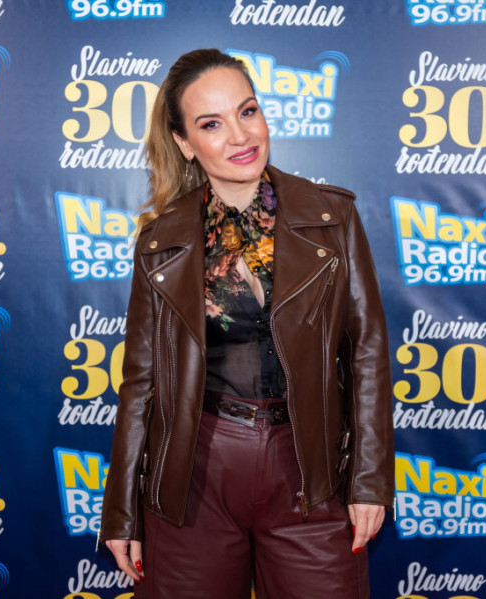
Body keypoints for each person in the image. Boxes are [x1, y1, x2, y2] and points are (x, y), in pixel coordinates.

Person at [99, 48, 394, 599]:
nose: (240, 135)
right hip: (193, 482)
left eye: (247, 111)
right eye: (211, 124)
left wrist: (370, 480)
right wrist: (121, 511)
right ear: (185, 143)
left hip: (310, 475)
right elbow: (141, 381)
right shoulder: (161, 242)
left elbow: (367, 354)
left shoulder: (333, 217)